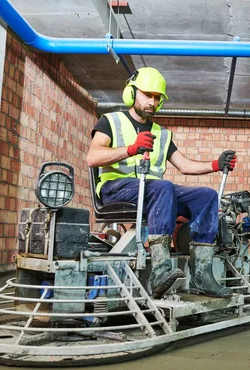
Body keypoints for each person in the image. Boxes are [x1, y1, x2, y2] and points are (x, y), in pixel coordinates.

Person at [86, 67, 237, 300]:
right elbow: (92, 157)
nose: (152, 102)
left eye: (157, 98)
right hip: (116, 189)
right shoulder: (110, 121)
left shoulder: (161, 134)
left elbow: (184, 165)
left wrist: (215, 164)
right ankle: (160, 272)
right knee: (163, 186)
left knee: (206, 196)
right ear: (132, 93)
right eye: (147, 95)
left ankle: (202, 277)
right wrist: (131, 149)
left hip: (154, 192)